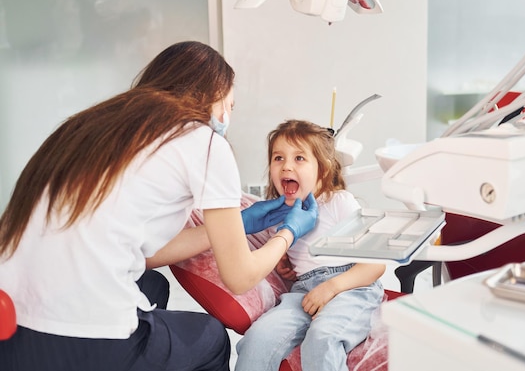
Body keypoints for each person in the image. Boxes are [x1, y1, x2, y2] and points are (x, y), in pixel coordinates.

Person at [0, 41, 318, 371]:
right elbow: (240, 277)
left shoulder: (87, 130)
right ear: (213, 100)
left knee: (152, 285)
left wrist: (234, 224)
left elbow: (144, 256)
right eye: (230, 106)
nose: (227, 117)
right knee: (211, 339)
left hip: (12, 332)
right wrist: (289, 233)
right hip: (83, 339)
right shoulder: (204, 142)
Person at [235, 120, 386, 371]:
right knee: (258, 338)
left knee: (322, 338)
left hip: (351, 287)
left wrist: (331, 287)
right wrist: (285, 264)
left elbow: (376, 263)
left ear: (323, 170)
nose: (287, 166)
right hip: (302, 292)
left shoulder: (339, 202)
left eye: (299, 159)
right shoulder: (277, 216)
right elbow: (292, 257)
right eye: (278, 158)